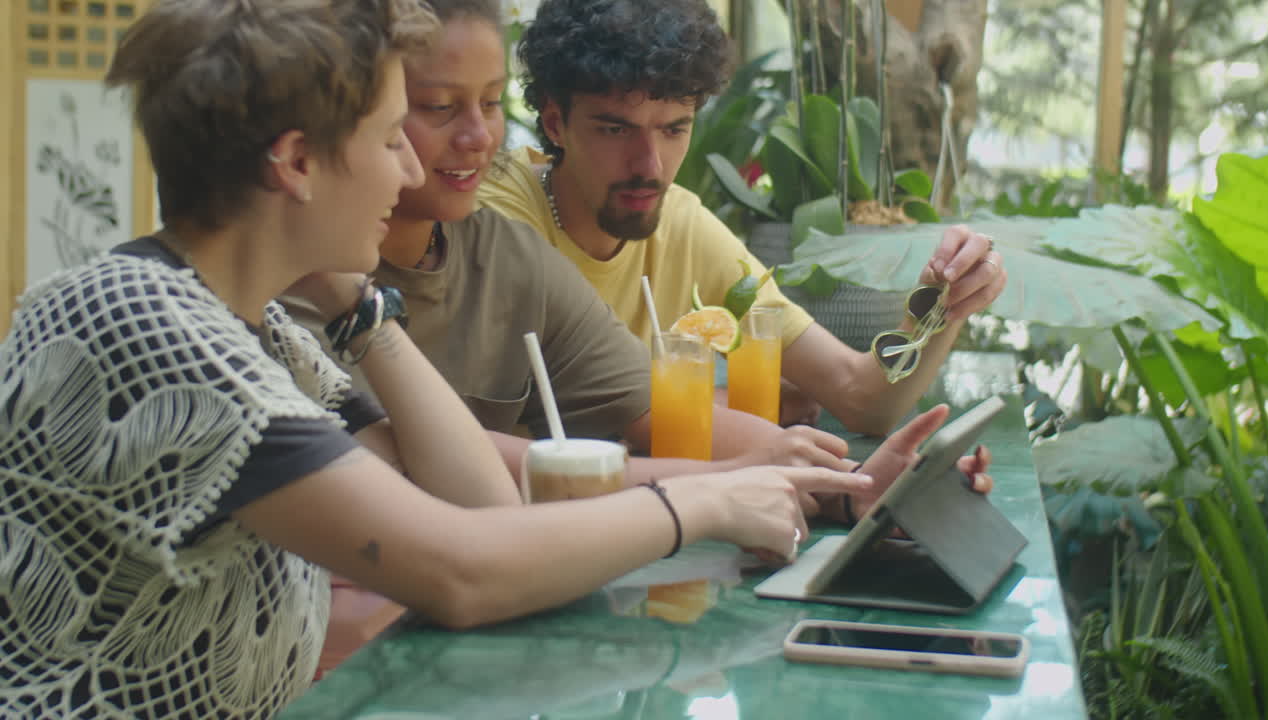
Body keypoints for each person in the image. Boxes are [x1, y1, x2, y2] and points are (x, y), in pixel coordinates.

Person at [0, 1, 875, 715]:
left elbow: (485, 506)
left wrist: (361, 313)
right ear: (298, 163)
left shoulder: (259, 332)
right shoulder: (149, 329)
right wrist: (712, 499)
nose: (410, 167)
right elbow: (461, 570)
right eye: (391, 137)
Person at [280, 0, 877, 485]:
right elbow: (427, 482)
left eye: (490, 104)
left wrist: (850, 483)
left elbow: (656, 410)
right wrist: (717, 489)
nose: (477, 137)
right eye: (436, 108)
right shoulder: (296, 282)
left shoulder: (509, 257)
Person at [477, 0, 1010, 435]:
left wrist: (941, 307)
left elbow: (862, 396)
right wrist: (729, 403)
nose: (650, 166)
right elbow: (539, 427)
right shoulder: (497, 216)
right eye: (616, 130)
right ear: (554, 122)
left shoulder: (682, 225)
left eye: (673, 128)